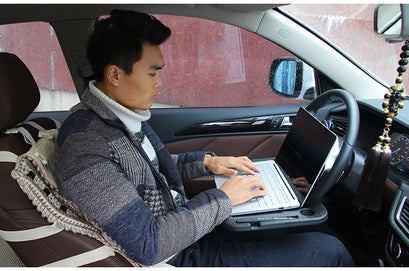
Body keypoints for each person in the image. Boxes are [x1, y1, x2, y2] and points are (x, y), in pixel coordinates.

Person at [54, 9, 355, 267]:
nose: (160, 83)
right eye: (152, 73)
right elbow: (148, 244)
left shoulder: (117, 116)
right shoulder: (86, 145)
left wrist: (208, 163)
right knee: (331, 251)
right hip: (185, 255)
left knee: (319, 229)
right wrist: (224, 199)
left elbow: (148, 172)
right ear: (115, 75)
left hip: (188, 227)